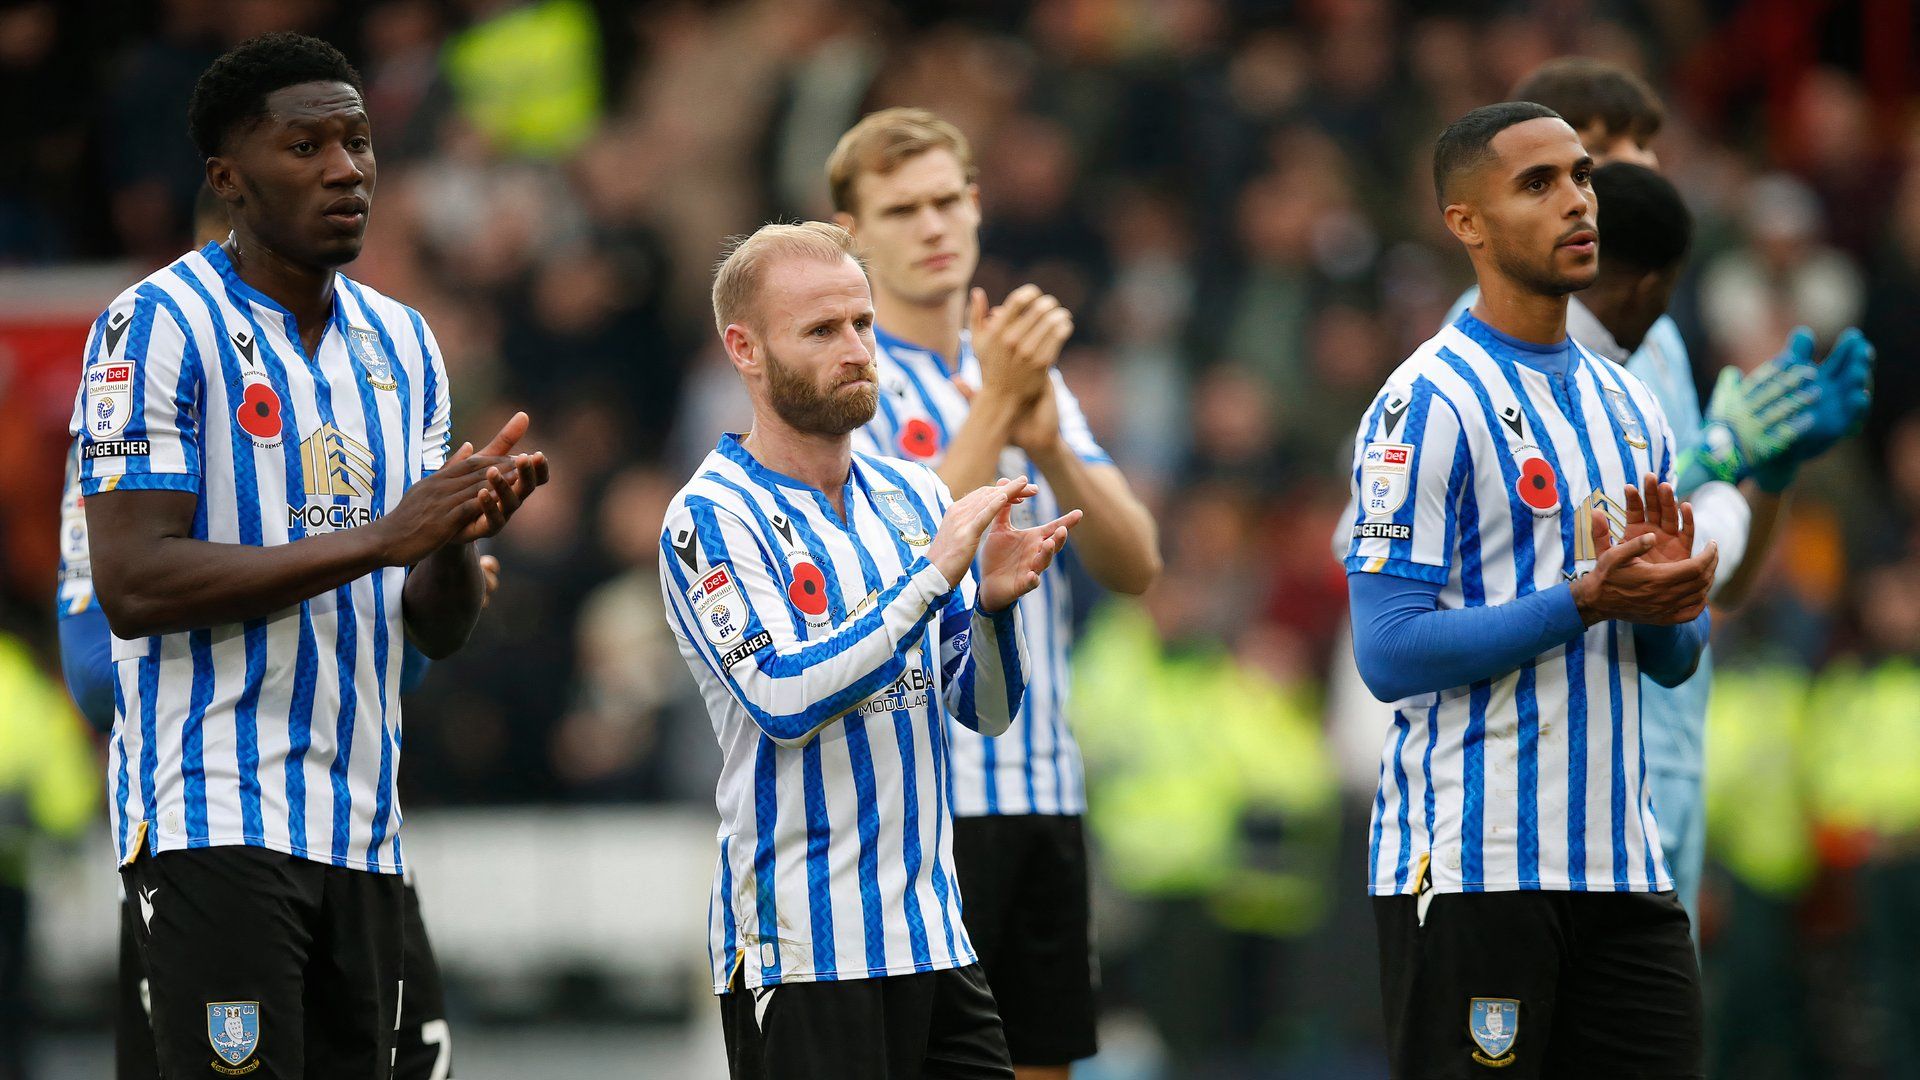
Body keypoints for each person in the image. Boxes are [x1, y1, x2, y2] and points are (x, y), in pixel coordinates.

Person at [73, 32, 547, 1078]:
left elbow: (435, 625)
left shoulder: (407, 345)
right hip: (214, 816)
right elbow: (134, 583)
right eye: (306, 146)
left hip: (361, 826)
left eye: (359, 141)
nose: (345, 169)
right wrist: (386, 535)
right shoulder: (152, 327)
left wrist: (458, 542)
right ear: (227, 179)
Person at [659, 220, 1081, 1080]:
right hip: (803, 951)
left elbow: (985, 712)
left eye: (861, 323)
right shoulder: (709, 518)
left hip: (933, 938)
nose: (855, 349)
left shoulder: (911, 492)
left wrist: (996, 610)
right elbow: (781, 699)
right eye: (821, 330)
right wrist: (930, 578)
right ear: (744, 349)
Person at [1346, 102, 1716, 1077]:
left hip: (1623, 869)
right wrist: (1585, 600)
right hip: (1479, 865)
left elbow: (1669, 662)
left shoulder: (1630, 406)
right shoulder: (1424, 402)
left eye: (1583, 177)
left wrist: (1675, 605)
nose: (1578, 203)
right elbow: (1386, 653)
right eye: (1539, 184)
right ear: (1465, 222)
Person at [1468, 58, 1874, 920]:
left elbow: (1709, 572)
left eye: (1649, 145)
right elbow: (1534, 552)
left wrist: (1769, 474)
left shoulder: (1652, 344)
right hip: (1541, 765)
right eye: (1610, 151)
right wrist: (1708, 469)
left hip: (1667, 739)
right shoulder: (1476, 345)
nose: (1641, 167)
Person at [826, 106, 1162, 1079]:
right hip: (927, 801)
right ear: (850, 232)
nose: (931, 227)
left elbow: (1135, 566)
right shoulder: (848, 382)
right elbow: (907, 556)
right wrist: (1008, 404)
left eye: (945, 201)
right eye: (899, 210)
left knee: (1042, 1066)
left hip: (1046, 784)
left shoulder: (1014, 372)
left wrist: (1046, 431)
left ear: (977, 206)